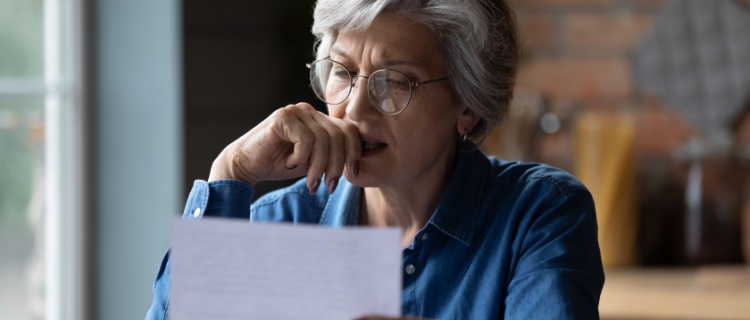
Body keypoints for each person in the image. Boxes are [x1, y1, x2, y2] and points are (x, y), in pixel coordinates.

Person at [146, 0, 604, 319]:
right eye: (343, 73)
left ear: (468, 104)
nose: (354, 109)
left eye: (395, 82)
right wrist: (231, 173)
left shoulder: (539, 214)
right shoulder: (278, 222)